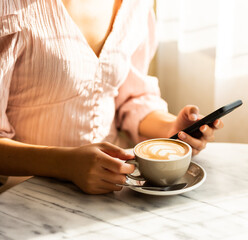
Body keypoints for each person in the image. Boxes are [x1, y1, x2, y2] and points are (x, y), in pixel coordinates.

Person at [0, 0, 223, 194]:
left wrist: (173, 129)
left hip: (117, 185)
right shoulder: (9, 9)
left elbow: (131, 98)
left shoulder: (134, 4)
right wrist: (64, 163)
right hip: (28, 196)